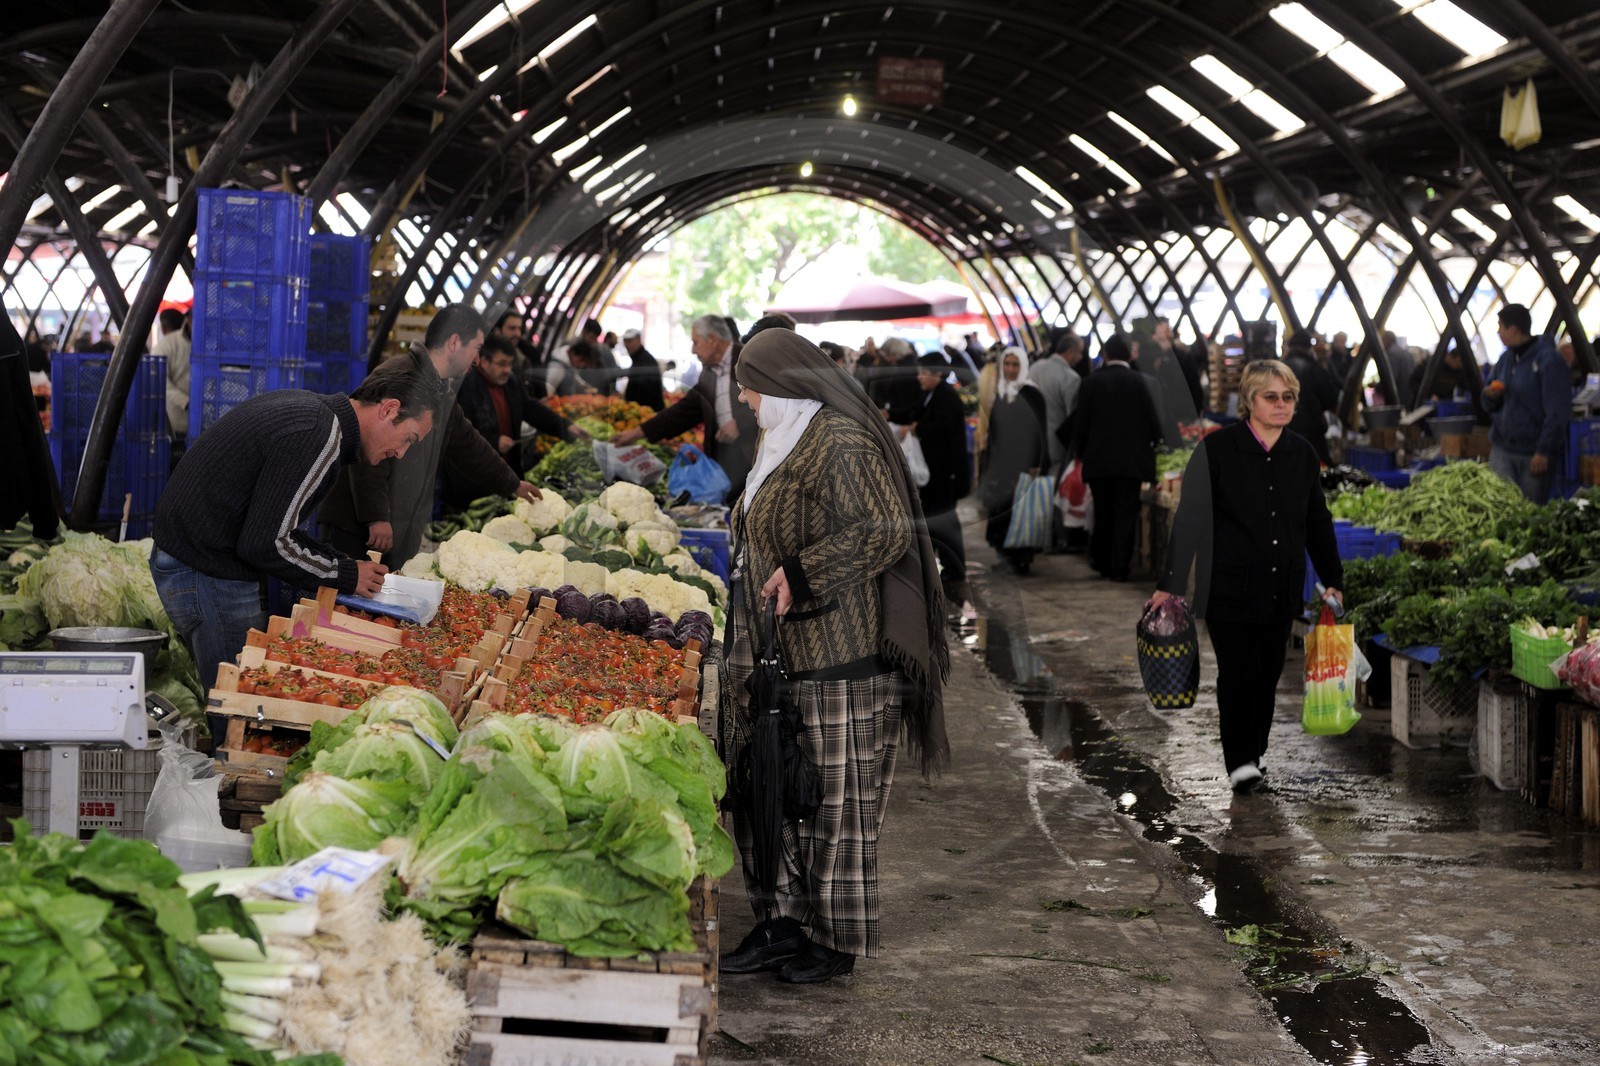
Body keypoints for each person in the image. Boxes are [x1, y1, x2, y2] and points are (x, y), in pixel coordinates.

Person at [717, 327, 949, 984]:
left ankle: (834, 939)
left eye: (750, 383)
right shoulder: (784, 437)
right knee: (774, 790)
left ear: (784, 385)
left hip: (839, 657)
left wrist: (803, 571)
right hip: (781, 652)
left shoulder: (839, 441)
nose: (743, 396)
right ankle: (779, 923)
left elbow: (882, 532)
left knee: (837, 806)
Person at [150, 366, 437, 695]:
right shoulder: (320, 433)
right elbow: (264, 543)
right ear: (389, 409)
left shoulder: (318, 417)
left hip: (197, 560)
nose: (401, 453)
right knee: (238, 704)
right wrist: (343, 574)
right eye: (408, 440)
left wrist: (342, 564)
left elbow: (275, 527)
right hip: (205, 570)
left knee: (238, 697)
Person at [1153, 359, 1343, 794]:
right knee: (1238, 673)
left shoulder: (1302, 454)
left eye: (1288, 397)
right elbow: (1190, 520)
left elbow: (1318, 521)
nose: (1281, 405)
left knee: (1268, 672)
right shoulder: (1216, 451)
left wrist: (1333, 577)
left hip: (1281, 587)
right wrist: (1170, 583)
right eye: (1271, 397)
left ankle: (1253, 752)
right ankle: (1240, 761)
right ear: (1250, 401)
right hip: (1229, 587)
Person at [319, 305, 541, 568]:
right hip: (356, 528)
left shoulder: (440, 391)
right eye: (477, 348)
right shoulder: (399, 376)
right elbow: (364, 442)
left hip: (395, 527)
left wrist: (512, 485)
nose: (477, 360)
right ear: (455, 342)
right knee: (343, 604)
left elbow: (468, 445)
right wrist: (375, 516)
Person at [613, 314, 757, 501]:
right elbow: (684, 411)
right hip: (723, 463)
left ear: (712, 339)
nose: (693, 350)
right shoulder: (708, 373)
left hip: (751, 459)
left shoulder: (749, 359)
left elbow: (773, 399)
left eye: (695, 342)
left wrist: (738, 423)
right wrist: (637, 433)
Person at [450, 334, 583, 505]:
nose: (507, 369)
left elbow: (530, 409)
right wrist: (494, 441)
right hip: (474, 479)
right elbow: (461, 431)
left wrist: (565, 426)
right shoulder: (466, 386)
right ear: (484, 362)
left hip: (507, 472)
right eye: (501, 364)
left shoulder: (511, 382)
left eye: (510, 364)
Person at [1072, 335, 1164, 583]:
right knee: (1126, 513)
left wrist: (1081, 454)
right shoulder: (1145, 383)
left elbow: (1081, 425)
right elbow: (1158, 425)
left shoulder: (1090, 383)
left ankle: (1102, 562)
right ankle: (1119, 568)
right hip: (1132, 462)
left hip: (1099, 461)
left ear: (1106, 354)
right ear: (1130, 355)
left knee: (1103, 511)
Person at [1483, 303, 1569, 503]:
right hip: (1502, 449)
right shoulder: (1505, 359)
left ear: (1513, 329)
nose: (1498, 332)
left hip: (1532, 455)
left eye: (1500, 327)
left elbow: (1557, 411)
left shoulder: (1549, 360)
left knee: (1528, 513)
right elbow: (1489, 401)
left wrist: (1543, 451)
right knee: (1499, 506)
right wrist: (1489, 396)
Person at [979, 347, 1049, 576]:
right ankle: (1005, 557)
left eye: (1015, 365)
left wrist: (1035, 463)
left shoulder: (1030, 393)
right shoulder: (1002, 392)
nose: (1010, 369)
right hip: (1002, 464)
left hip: (1022, 463)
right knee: (1001, 512)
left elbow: (1038, 430)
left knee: (1019, 513)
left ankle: (1020, 559)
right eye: (1007, 364)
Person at [908, 353, 971, 598]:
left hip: (947, 472)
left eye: (923, 372)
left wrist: (917, 428)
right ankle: (941, 566)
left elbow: (942, 426)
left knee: (945, 522)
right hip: (936, 473)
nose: (919, 376)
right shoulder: (931, 394)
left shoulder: (947, 396)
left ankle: (955, 569)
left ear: (937, 374)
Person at [1281, 330, 1338, 465]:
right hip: (1313, 432)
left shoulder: (1279, 368)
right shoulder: (1315, 369)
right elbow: (1331, 399)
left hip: (1283, 430)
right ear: (1309, 348)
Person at [154, 308, 191, 443]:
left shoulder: (212, 345)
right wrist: (186, 402)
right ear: (188, 320)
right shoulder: (167, 345)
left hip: (208, 424)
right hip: (176, 423)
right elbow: (158, 380)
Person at [620, 328, 666, 411]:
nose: (627, 344)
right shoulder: (639, 359)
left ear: (638, 340)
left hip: (648, 412)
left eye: (630, 341)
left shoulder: (645, 360)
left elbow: (645, 392)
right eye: (625, 341)